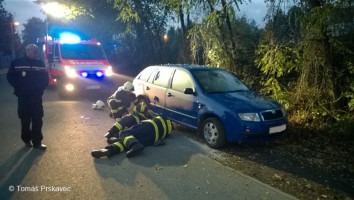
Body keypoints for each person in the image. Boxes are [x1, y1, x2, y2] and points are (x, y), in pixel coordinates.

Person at [7, 44, 49, 150]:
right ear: (28, 51)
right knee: (25, 120)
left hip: (36, 97)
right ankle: (26, 139)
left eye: (37, 51)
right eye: (34, 51)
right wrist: (19, 88)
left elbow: (45, 79)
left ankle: (37, 142)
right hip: (23, 97)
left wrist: (40, 89)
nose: (36, 54)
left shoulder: (40, 63)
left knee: (38, 119)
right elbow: (10, 77)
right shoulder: (17, 63)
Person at [91, 115, 173, 158]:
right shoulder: (169, 131)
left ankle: (134, 145)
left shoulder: (163, 117)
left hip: (149, 126)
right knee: (128, 143)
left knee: (124, 133)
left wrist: (112, 132)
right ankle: (108, 150)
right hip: (154, 138)